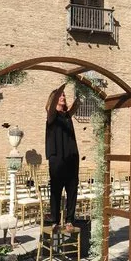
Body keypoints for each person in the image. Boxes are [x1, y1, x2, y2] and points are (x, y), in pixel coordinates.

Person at [44, 86, 80, 233]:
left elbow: (76, 105)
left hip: (72, 157)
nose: (63, 97)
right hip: (57, 158)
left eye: (64, 95)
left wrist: (81, 89)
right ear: (54, 99)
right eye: (60, 95)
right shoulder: (52, 115)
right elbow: (52, 106)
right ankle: (55, 221)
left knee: (72, 190)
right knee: (56, 190)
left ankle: (69, 220)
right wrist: (59, 89)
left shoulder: (67, 115)